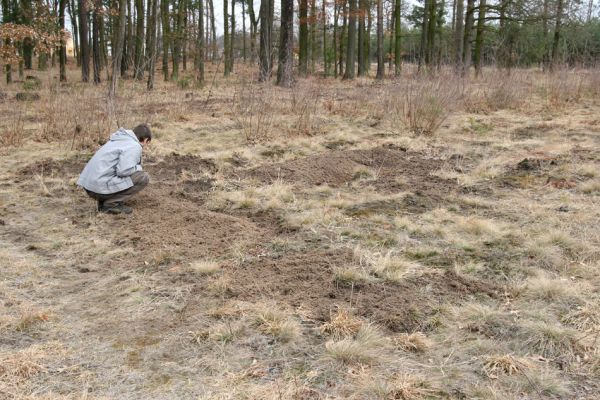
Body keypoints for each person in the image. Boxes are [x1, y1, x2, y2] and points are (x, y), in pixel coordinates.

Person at [77, 124, 151, 214]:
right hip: (98, 189)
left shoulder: (118, 139)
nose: (146, 147)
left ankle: (103, 202)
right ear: (145, 140)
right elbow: (123, 171)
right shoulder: (134, 145)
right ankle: (111, 204)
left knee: (134, 174)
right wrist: (139, 167)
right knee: (143, 177)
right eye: (147, 143)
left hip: (90, 187)